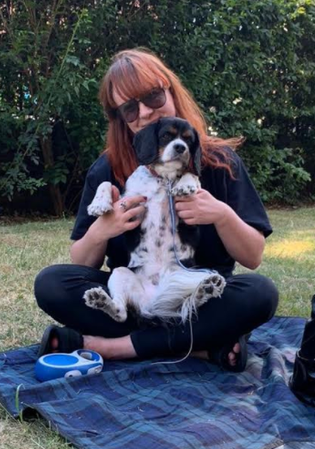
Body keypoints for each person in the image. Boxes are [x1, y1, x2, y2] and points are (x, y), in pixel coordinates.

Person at [34, 48, 278, 371]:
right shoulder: (107, 169)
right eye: (130, 109)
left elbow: (253, 255)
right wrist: (103, 230)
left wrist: (220, 214)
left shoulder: (219, 162)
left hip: (201, 300)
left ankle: (112, 347)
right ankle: (201, 347)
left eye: (153, 96)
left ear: (170, 90)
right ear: (120, 118)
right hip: (135, 298)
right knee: (51, 284)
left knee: (260, 293)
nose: (146, 112)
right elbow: (81, 261)